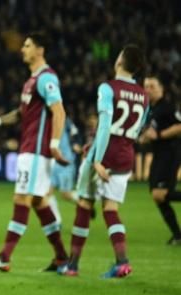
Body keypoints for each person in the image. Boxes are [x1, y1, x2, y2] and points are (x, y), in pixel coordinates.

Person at [0, 32, 70, 272]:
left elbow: (59, 111)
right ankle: (61, 258)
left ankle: (4, 258)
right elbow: (20, 113)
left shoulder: (46, 78)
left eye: (27, 46)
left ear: (40, 50)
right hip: (30, 149)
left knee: (21, 199)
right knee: (38, 202)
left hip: (36, 151)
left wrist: (55, 144)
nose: (22, 49)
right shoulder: (31, 80)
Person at [58, 45, 150, 277]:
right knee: (111, 209)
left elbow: (106, 125)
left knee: (84, 205)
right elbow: (137, 130)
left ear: (120, 61)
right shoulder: (143, 95)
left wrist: (97, 158)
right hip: (125, 156)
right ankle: (122, 262)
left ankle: (72, 265)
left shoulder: (108, 88)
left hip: (104, 156)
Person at [140, 76, 181, 245]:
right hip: (159, 155)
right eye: (146, 86)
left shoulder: (167, 107)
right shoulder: (151, 109)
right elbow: (150, 132)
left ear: (161, 89)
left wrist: (159, 135)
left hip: (170, 154)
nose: (148, 89)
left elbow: (179, 126)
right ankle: (178, 236)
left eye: (152, 86)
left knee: (160, 194)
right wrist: (145, 138)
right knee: (157, 196)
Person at [47, 117, 85, 224]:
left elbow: (75, 133)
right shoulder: (45, 121)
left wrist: (76, 144)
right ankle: (57, 221)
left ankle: (85, 201)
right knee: (47, 192)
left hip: (66, 161)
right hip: (53, 162)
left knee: (65, 195)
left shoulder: (64, 120)